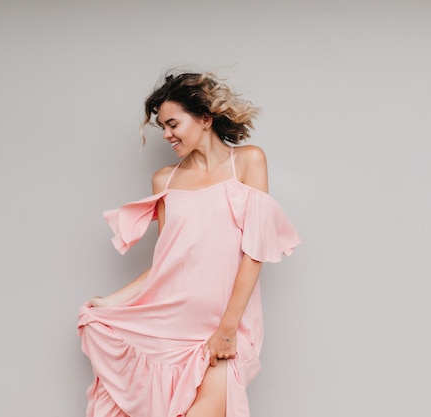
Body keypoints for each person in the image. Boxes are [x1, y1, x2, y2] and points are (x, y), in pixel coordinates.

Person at [78, 71, 301, 417]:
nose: (166, 134)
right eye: (162, 127)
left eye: (172, 124)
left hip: (227, 325)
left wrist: (227, 330)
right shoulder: (164, 179)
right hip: (172, 325)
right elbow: (168, 263)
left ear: (205, 119)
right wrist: (110, 302)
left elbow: (253, 253)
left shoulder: (247, 162)